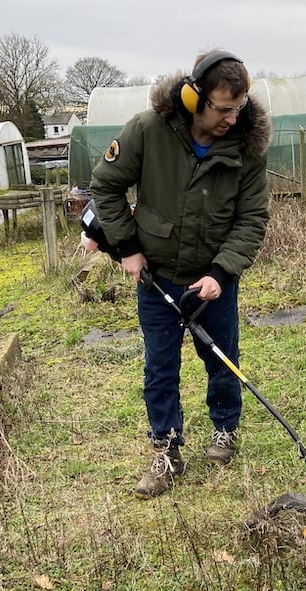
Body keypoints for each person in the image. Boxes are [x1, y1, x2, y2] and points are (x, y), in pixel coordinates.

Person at [88, 49, 271, 499]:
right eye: (223, 108)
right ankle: (167, 449)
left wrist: (222, 273)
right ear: (194, 98)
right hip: (157, 276)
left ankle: (225, 428)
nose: (233, 117)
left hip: (211, 280)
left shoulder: (247, 149)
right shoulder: (147, 131)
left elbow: (252, 218)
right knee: (160, 367)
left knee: (221, 358)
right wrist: (128, 249)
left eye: (239, 107)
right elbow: (105, 186)